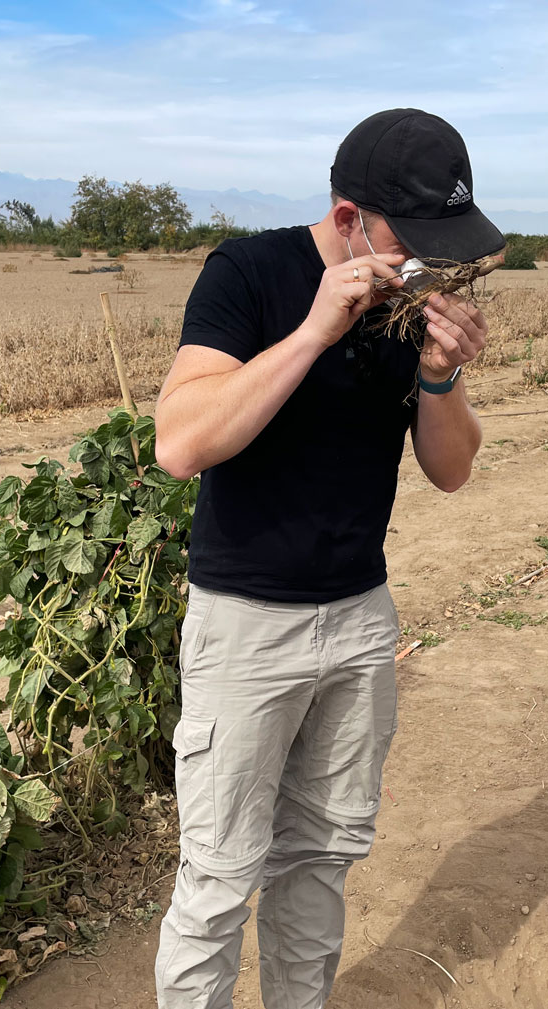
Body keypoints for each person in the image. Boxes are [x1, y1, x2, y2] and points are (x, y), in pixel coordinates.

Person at [152, 109, 505, 1009]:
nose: (426, 265)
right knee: (220, 877)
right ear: (350, 217)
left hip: (357, 622)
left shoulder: (406, 309)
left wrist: (440, 374)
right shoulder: (250, 272)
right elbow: (182, 442)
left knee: (319, 863)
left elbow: (453, 470)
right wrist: (312, 331)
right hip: (246, 629)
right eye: (409, 242)